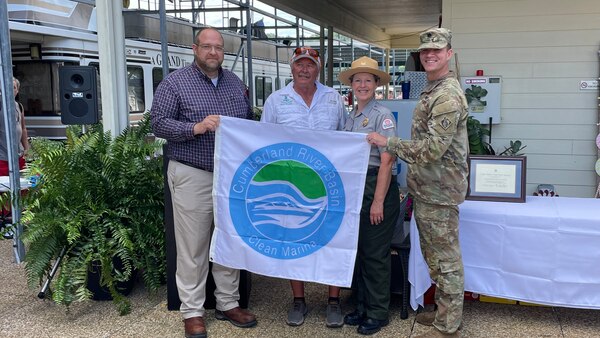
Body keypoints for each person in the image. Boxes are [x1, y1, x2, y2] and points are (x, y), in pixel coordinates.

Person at [151, 27, 257, 338]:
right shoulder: (175, 83)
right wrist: (195, 127)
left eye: (218, 48)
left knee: (228, 240)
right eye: (207, 47)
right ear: (195, 49)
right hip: (192, 172)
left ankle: (227, 303)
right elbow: (158, 122)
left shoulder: (236, 84)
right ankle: (193, 311)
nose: (213, 53)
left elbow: (248, 120)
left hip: (230, 177)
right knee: (193, 246)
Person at [367, 28, 468, 338]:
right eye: (425, 51)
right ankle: (442, 313)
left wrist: (390, 143)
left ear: (449, 54)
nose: (430, 55)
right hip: (428, 188)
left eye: (437, 50)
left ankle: (449, 323)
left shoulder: (447, 95)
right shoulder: (433, 89)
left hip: (439, 190)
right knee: (435, 257)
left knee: (446, 260)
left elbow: (434, 148)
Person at [260, 46, 347, 328]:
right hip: (292, 183)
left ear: (318, 68)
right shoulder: (276, 100)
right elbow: (264, 140)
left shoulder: (333, 99)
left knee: (332, 238)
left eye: (310, 64)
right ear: (292, 68)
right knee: (294, 238)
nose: (304, 69)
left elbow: (346, 138)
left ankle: (333, 300)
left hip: (328, 182)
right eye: (300, 64)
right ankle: (299, 299)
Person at [336, 56, 400, 335]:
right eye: (357, 80)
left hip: (377, 188)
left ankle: (377, 312)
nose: (362, 84)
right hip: (356, 188)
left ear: (376, 84)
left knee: (375, 254)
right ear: (351, 85)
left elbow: (387, 160)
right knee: (360, 251)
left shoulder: (381, 116)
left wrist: (377, 202)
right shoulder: (351, 116)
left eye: (368, 80)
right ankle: (362, 305)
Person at [0, 77, 29, 176]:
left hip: (18, 156)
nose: (10, 90)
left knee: (23, 188)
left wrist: (26, 149)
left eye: (13, 87)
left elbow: (23, 129)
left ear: (17, 90)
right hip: (2, 158)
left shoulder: (19, 106)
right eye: (7, 87)